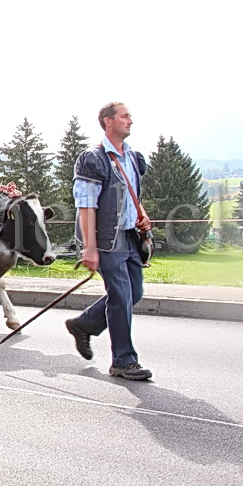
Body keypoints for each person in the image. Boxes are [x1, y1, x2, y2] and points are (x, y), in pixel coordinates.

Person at [65, 102, 153, 381]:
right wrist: (90, 247)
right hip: (106, 240)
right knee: (120, 295)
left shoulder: (133, 158)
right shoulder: (93, 159)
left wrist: (142, 214)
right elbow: (86, 205)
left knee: (134, 293)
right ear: (108, 122)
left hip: (129, 236)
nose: (131, 120)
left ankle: (84, 324)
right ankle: (123, 361)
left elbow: (129, 194)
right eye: (125, 116)